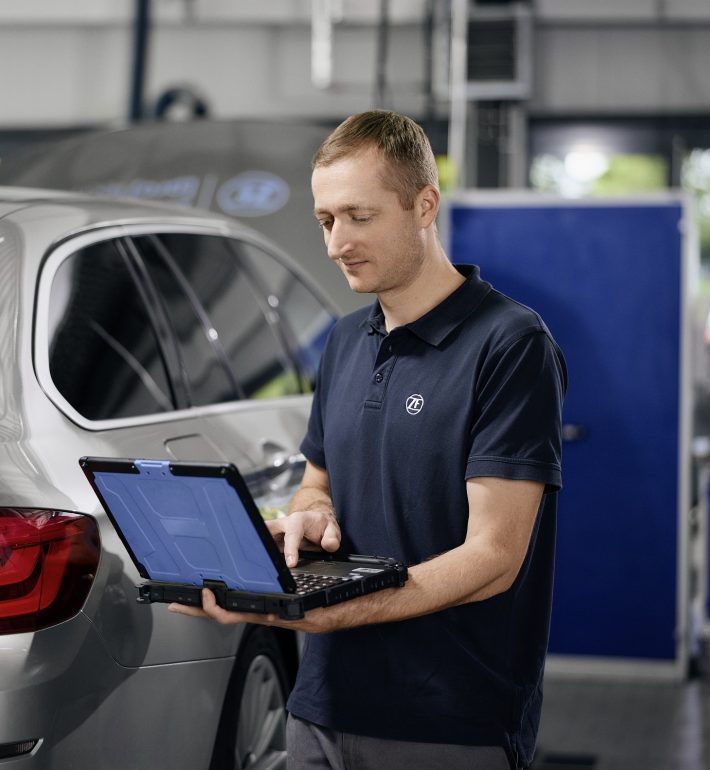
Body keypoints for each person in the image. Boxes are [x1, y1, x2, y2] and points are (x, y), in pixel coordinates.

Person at [170, 110, 566, 770]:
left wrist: (335, 611)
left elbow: (495, 556)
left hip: (448, 722)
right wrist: (309, 515)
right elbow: (318, 477)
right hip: (320, 709)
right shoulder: (346, 341)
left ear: (423, 205)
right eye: (326, 220)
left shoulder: (510, 345)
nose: (335, 242)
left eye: (358, 216)